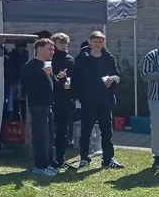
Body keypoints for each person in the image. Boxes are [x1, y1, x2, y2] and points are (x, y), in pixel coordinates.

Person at [73, 31, 124, 169]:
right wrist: (77, 95)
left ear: (104, 42)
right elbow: (75, 78)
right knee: (86, 130)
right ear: (90, 42)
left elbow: (117, 75)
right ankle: (84, 158)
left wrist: (113, 80)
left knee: (107, 131)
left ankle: (108, 159)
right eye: (95, 41)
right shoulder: (81, 58)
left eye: (100, 41)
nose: (97, 44)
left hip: (105, 99)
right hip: (88, 100)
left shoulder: (108, 57)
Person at [22, 38, 59, 177]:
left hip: (48, 105)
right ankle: (40, 166)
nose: (52, 52)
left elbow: (52, 83)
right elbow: (27, 83)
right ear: (39, 49)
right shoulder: (31, 65)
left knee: (49, 137)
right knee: (41, 137)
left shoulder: (47, 64)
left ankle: (49, 163)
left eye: (53, 49)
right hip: (37, 105)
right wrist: (41, 72)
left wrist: (60, 78)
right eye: (50, 49)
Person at [50, 32, 75, 168]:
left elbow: (73, 77)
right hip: (51, 97)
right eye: (60, 43)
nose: (63, 45)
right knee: (48, 129)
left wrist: (72, 93)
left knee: (62, 130)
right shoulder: (49, 58)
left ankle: (61, 159)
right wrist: (57, 77)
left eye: (65, 43)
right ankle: (48, 159)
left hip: (65, 98)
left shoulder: (69, 59)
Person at [139, 36, 159, 169]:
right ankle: (157, 156)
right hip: (156, 98)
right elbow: (144, 75)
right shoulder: (151, 56)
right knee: (157, 128)